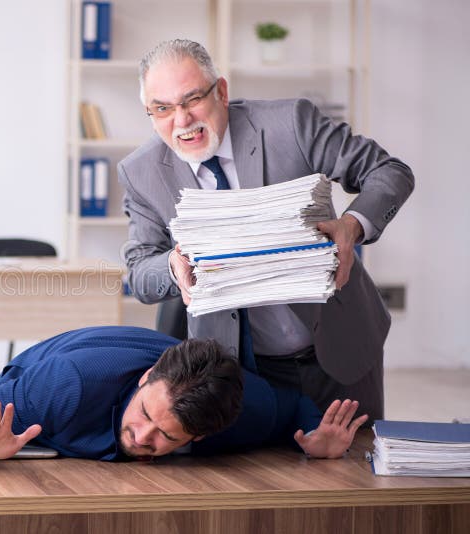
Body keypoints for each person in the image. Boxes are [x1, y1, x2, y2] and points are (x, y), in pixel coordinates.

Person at [118, 39, 415, 422]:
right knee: (256, 479)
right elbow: (140, 273)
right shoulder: (140, 172)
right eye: (162, 108)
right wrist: (174, 266)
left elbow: (389, 172)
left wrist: (352, 226)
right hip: (238, 368)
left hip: (339, 344)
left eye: (192, 99)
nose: (181, 120)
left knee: (352, 468)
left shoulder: (290, 124)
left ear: (221, 91)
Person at [0, 326, 367, 463]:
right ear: (146, 379)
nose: (143, 437)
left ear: (198, 436)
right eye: (145, 414)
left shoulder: (241, 409)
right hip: (67, 370)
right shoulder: (64, 385)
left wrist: (316, 436)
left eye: (167, 436)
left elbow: (293, 404)